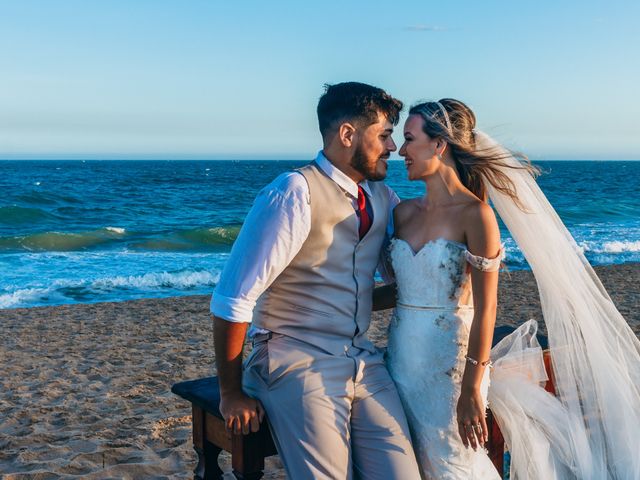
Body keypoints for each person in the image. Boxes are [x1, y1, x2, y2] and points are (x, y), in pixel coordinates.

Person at [384, 99, 640, 479]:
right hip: (400, 360)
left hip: (448, 369)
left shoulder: (476, 215)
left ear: (439, 145)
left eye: (409, 139)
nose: (401, 151)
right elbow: (401, 291)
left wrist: (472, 386)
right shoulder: (401, 214)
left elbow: (487, 308)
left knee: (453, 461)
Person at [211, 82, 421, 479]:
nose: (392, 147)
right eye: (384, 135)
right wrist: (231, 393)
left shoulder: (382, 197)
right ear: (347, 134)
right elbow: (231, 301)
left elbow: (397, 279)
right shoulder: (293, 192)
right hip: (296, 359)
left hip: (361, 359)